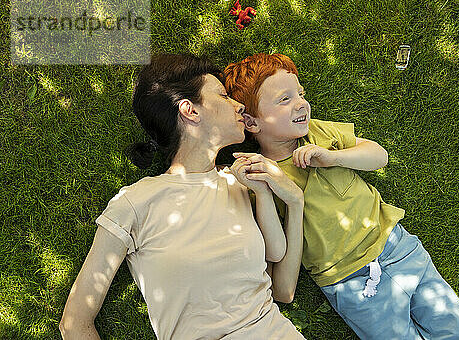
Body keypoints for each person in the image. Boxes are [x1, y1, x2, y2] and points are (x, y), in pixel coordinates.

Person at [223, 53, 459, 339]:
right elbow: (279, 256)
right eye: (284, 100)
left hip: (397, 247)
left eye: (300, 93)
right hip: (352, 282)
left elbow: (379, 155)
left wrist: (334, 158)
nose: (301, 103)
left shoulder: (319, 133)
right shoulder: (264, 178)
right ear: (252, 123)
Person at [60, 53, 305, 340]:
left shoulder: (239, 183)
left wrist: (296, 202)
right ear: (190, 110)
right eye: (224, 96)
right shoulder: (134, 204)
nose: (239, 106)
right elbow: (75, 322)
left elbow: (283, 291)